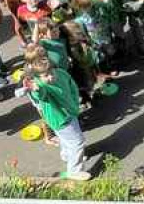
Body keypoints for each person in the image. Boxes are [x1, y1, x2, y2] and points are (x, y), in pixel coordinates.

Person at [20, 46, 92, 181]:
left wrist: (76, 99)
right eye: (46, 75)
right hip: (60, 118)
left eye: (51, 72)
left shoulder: (60, 73)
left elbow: (71, 85)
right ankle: (74, 171)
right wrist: (35, 89)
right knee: (77, 142)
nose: (51, 76)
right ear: (37, 75)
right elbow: (40, 94)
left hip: (69, 112)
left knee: (66, 139)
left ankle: (67, 155)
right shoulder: (40, 85)